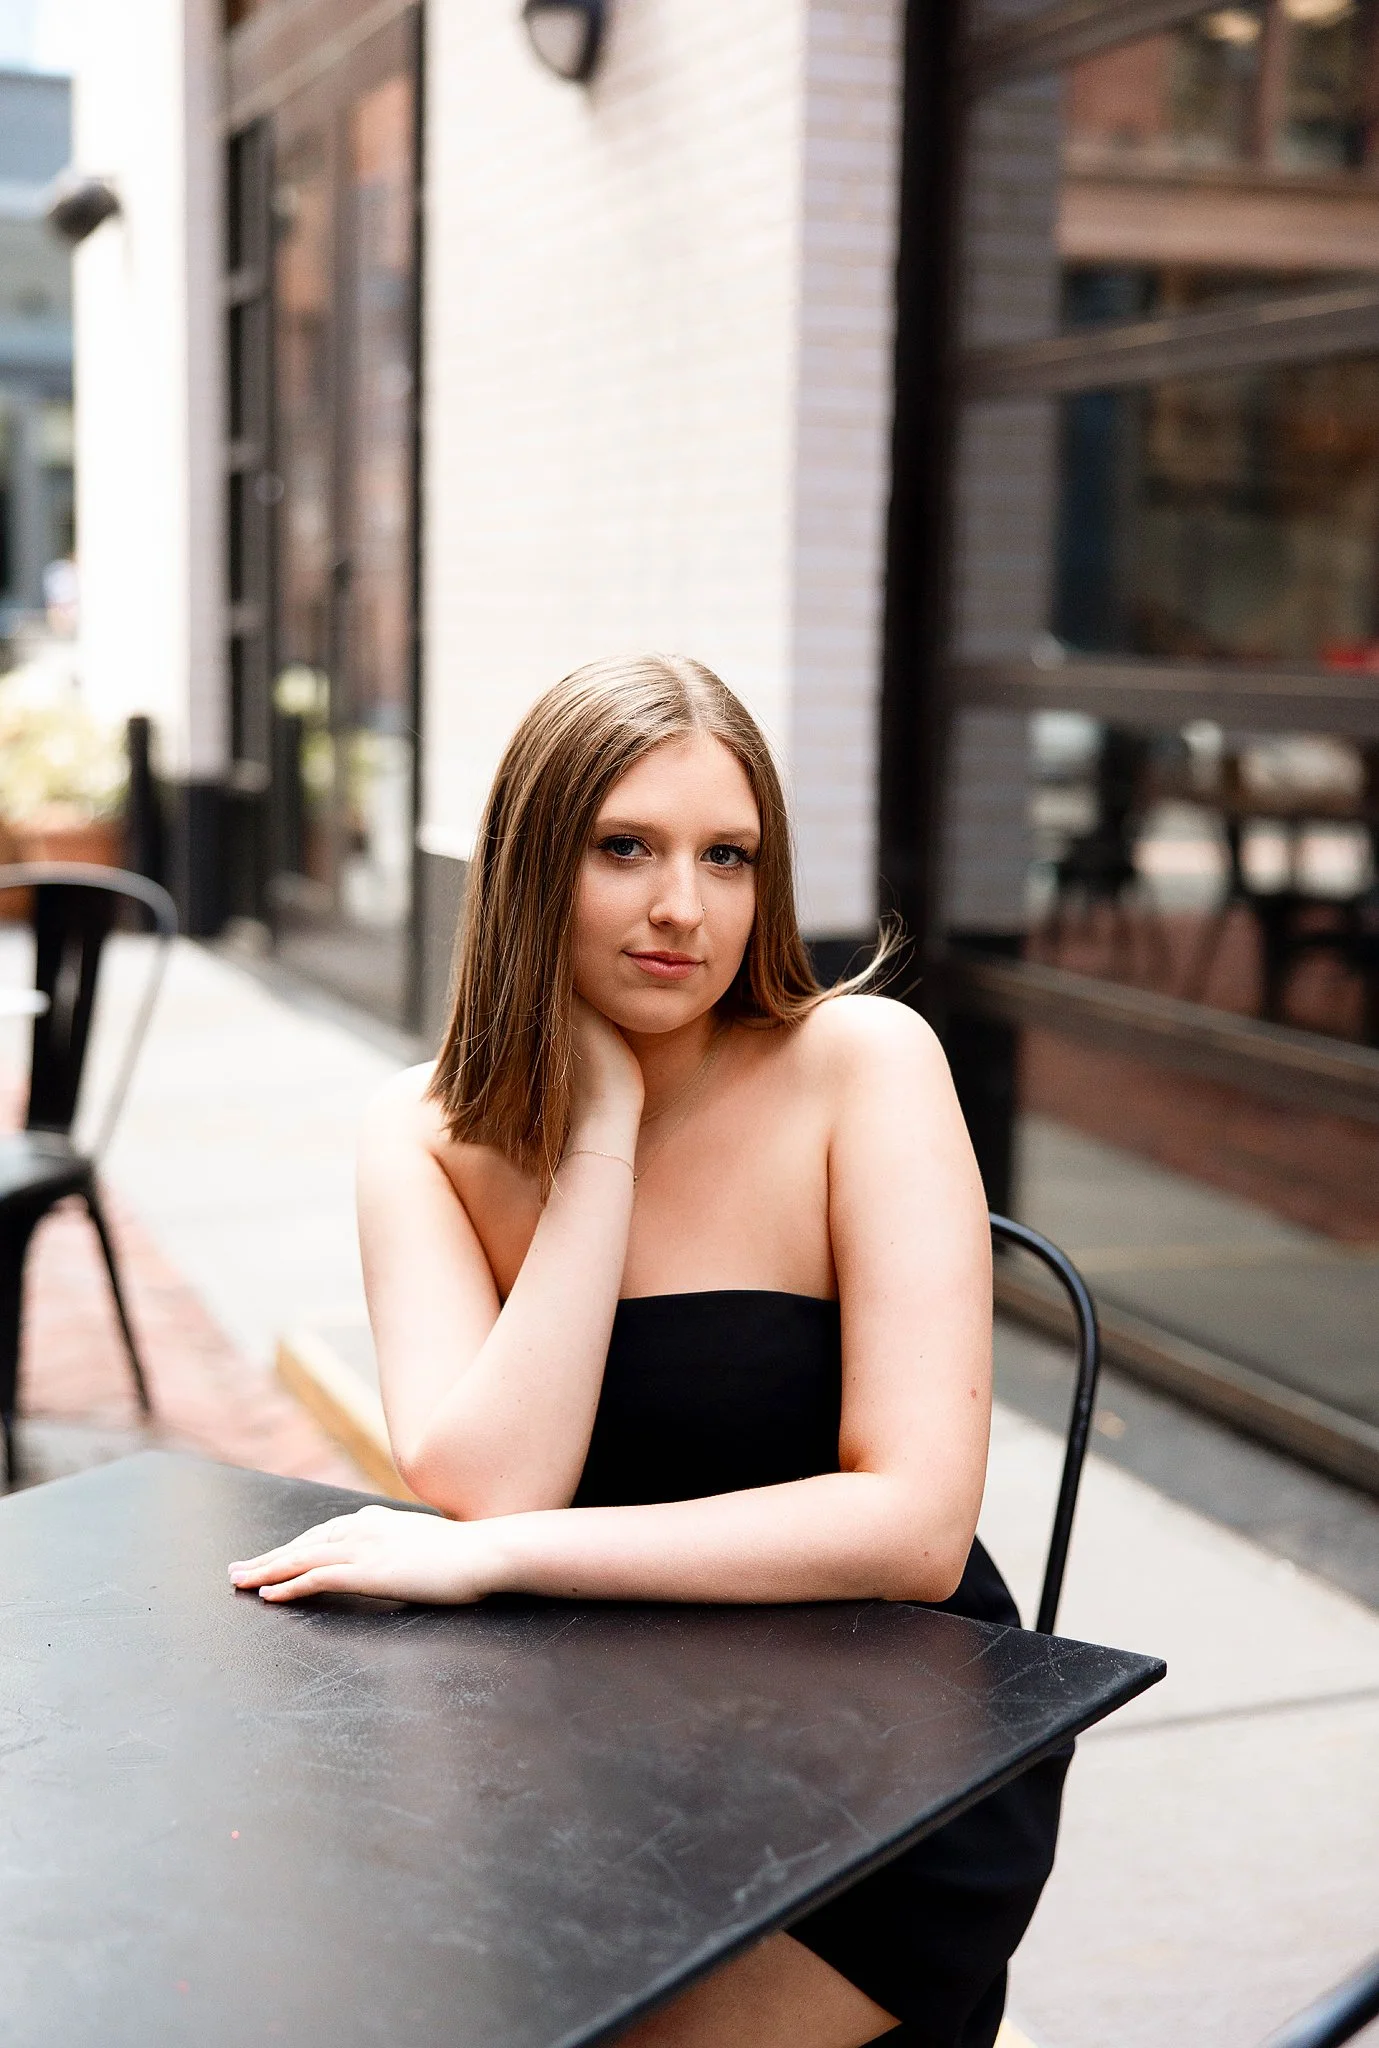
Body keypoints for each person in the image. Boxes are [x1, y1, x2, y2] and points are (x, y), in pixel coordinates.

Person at [229, 653, 1069, 2048]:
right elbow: (493, 1476)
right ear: (529, 867)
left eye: (727, 856)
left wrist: (504, 1560)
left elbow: (914, 1529)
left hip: (877, 1770)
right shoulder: (421, 1133)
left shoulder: (862, 1061)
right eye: (626, 848)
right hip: (579, 1745)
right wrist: (597, 1135)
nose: (685, 908)